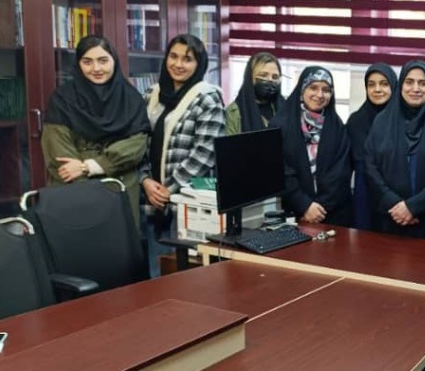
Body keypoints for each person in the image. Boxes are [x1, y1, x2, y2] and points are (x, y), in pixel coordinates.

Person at [139, 34, 226, 277]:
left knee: (185, 274)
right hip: (149, 198)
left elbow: (205, 153)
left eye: (187, 59)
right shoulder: (152, 94)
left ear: (199, 64)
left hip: (187, 201)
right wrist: (145, 181)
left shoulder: (208, 97)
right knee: (154, 271)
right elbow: (138, 141)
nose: (178, 64)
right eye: (173, 56)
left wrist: (167, 189)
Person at [41, 35, 151, 226]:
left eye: (103, 60)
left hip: (120, 192)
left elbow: (136, 146)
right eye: (87, 62)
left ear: (114, 61)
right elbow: (59, 153)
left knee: (119, 243)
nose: (96, 68)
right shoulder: (62, 100)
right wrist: (92, 192)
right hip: (74, 194)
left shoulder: (131, 98)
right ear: (78, 64)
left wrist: (90, 166)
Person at [365, 60, 425, 241]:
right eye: (409, 82)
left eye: (423, 83)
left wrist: (413, 207)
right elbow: (371, 167)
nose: (416, 88)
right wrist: (395, 204)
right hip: (390, 218)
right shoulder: (382, 121)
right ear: (401, 85)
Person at [271, 66, 352, 226]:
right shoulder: (280, 125)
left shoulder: (338, 127)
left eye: (326, 90)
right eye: (313, 87)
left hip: (332, 215)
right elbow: (280, 170)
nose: (319, 95)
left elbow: (341, 173)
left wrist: (318, 210)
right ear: (302, 89)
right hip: (294, 213)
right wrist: (305, 206)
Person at [346, 63, 398, 230]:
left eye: (384, 84)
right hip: (364, 199)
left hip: (396, 200)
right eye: (371, 84)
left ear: (393, 86)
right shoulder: (355, 121)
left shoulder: (403, 121)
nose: (377, 89)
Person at [225, 52, 283, 135]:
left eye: (275, 77)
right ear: (249, 78)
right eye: (263, 75)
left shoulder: (286, 110)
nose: (270, 80)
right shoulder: (234, 112)